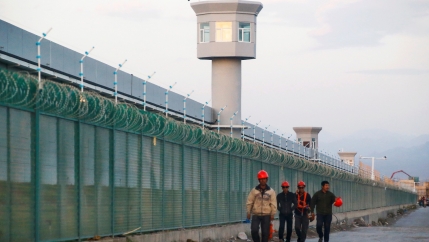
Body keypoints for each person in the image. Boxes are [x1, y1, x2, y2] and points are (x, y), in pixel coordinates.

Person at [246, 170, 277, 242]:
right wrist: (248, 212)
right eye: (261, 179)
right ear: (259, 180)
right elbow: (249, 201)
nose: (263, 181)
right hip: (256, 214)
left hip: (266, 215)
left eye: (264, 179)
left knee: (265, 233)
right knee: (254, 230)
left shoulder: (271, 191)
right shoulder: (254, 190)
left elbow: (273, 203)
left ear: (267, 179)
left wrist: (272, 213)